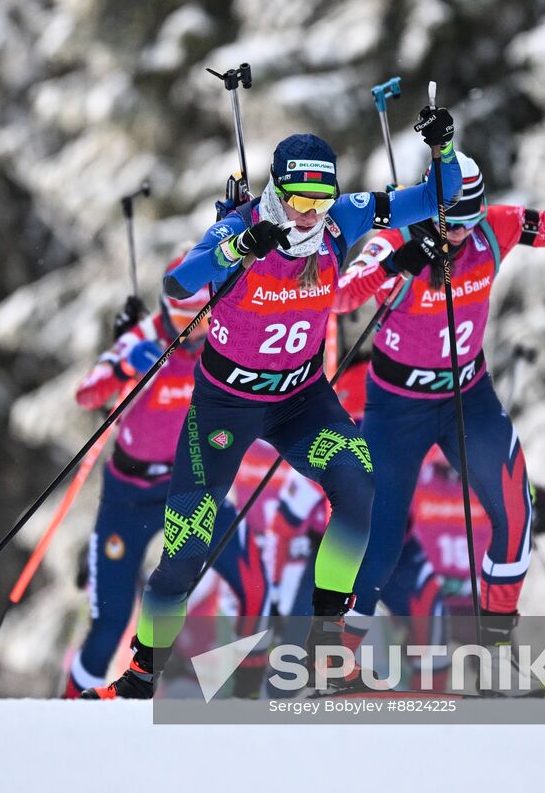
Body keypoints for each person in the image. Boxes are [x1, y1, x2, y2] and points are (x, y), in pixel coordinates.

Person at [83, 106, 462, 698]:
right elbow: (179, 283)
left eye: (320, 200)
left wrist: (442, 150)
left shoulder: (342, 219)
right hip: (225, 406)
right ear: (276, 193)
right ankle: (140, 671)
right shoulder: (242, 227)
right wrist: (236, 250)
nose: (311, 214)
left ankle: (325, 642)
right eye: (298, 202)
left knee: (361, 484)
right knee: (186, 548)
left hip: (300, 399)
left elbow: (435, 196)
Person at [334, 133, 545, 656]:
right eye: (453, 222)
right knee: (379, 537)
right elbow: (340, 298)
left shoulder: (495, 227)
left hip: (467, 397)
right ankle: (338, 656)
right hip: (397, 407)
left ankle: (494, 655)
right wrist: (396, 265)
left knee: (515, 516)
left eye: (471, 218)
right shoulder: (394, 237)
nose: (463, 233)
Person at [65, 277, 268, 698]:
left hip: (190, 488)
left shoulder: (224, 338)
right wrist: (123, 367)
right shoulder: (143, 338)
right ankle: (69, 712)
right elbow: (87, 395)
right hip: (130, 496)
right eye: (178, 319)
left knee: (253, 585)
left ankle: (230, 694)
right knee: (110, 625)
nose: (188, 331)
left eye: (197, 320)